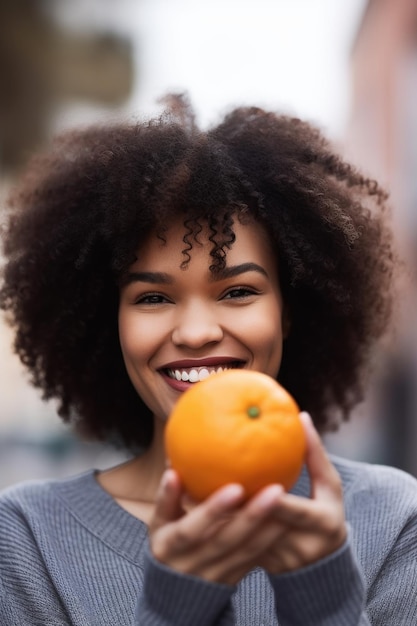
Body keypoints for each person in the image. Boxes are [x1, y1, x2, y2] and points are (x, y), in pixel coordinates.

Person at [0, 95, 416, 626]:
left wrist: (325, 599)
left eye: (238, 291)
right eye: (153, 298)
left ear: (290, 312)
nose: (196, 333)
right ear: (111, 325)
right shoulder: (29, 539)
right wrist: (172, 611)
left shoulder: (394, 520)